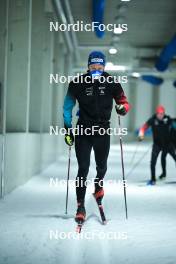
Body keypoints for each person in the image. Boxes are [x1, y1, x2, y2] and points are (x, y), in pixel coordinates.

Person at [63, 51, 130, 222]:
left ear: (104, 67)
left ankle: (98, 187)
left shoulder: (111, 83)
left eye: (100, 67)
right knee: (83, 169)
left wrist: (122, 108)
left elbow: (123, 102)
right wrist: (68, 128)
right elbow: (67, 107)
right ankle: (80, 206)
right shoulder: (77, 83)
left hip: (102, 132)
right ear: (88, 66)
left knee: (102, 167)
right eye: (93, 67)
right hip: (83, 132)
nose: (96, 70)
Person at [138, 105, 176, 185]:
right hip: (157, 144)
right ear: (156, 113)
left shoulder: (168, 119)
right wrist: (141, 134)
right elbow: (144, 127)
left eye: (162, 114)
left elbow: (174, 126)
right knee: (152, 162)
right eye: (159, 114)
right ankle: (153, 179)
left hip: (168, 144)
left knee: (171, 158)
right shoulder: (152, 120)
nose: (160, 115)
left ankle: (163, 174)